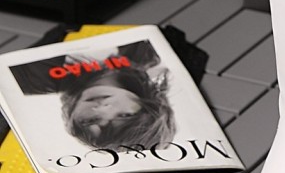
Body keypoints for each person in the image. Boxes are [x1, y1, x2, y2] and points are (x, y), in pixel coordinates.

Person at [10, 39, 175, 150]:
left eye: (90, 120)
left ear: (73, 117)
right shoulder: (149, 54)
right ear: (149, 107)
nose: (102, 108)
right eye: (124, 115)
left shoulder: (31, 81)